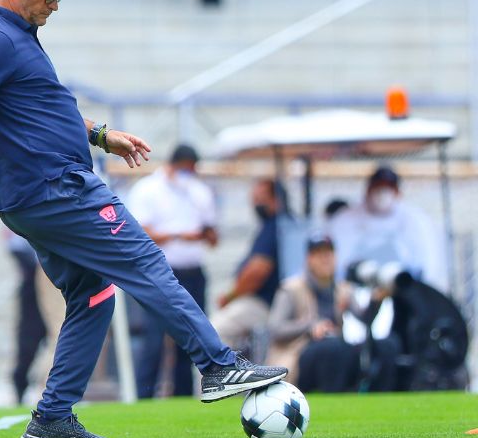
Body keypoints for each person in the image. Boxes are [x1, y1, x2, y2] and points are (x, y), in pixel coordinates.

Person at [0, 0, 288, 438]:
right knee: (147, 265)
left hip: (38, 196)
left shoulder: (16, 36)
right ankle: (218, 366)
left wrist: (100, 135)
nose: (55, 3)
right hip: (58, 189)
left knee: (93, 295)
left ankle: (52, 417)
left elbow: (42, 109)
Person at [127, 143, 220, 398]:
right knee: (154, 338)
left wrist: (202, 233)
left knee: (190, 340)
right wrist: (178, 235)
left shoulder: (199, 192)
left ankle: (183, 397)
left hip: (193, 272)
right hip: (160, 273)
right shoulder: (148, 190)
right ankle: (144, 396)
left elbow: (212, 236)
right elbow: (138, 233)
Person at [267, 234, 399, 392]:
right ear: (309, 259)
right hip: (300, 353)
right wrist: (310, 326)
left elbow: (365, 319)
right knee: (333, 348)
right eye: (319, 254)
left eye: (329, 254)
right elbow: (275, 329)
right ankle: (332, 396)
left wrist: (375, 301)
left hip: (337, 350)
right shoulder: (291, 289)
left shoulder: (342, 289)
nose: (325, 259)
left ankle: (380, 396)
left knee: (387, 345)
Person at [328, 165, 448, 294]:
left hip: (403, 292)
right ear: (368, 190)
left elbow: (427, 263)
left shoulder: (415, 220)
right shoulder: (345, 220)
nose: (382, 193)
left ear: (397, 191)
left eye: (388, 187)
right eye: (378, 187)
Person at [211, 178, 282, 350]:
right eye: (254, 199)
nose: (257, 204)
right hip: (263, 302)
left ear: (276, 200)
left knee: (214, 332)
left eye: (261, 199)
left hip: (264, 302)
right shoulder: (275, 225)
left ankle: (218, 377)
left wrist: (230, 296)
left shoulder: (275, 226)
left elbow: (257, 272)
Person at [6, 231, 48, 405]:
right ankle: (20, 384)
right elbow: (15, 247)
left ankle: (48, 390)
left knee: (57, 336)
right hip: (35, 284)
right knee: (29, 338)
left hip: (55, 280)